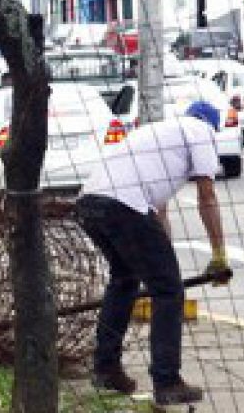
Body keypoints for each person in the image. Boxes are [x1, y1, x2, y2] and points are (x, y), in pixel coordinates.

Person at [75, 100, 231, 406]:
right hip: (123, 204)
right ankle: (167, 380)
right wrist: (219, 252)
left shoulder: (160, 134)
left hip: (90, 203)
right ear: (212, 127)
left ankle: (106, 368)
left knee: (124, 280)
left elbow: (158, 214)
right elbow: (207, 195)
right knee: (169, 291)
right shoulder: (201, 132)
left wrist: (163, 261)